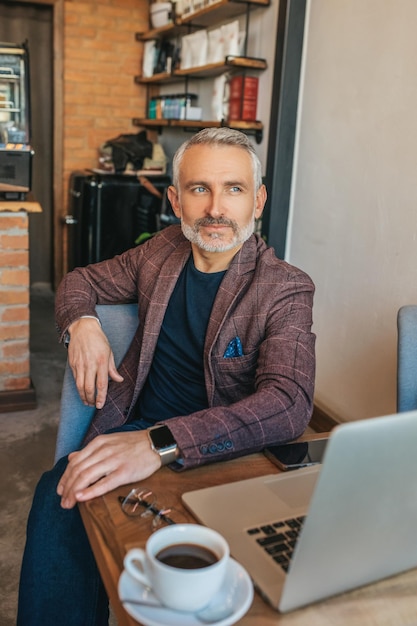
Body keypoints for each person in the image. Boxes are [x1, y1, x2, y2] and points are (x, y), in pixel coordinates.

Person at [17, 128, 316, 625]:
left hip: (231, 454)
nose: (216, 207)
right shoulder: (161, 252)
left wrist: (159, 443)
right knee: (60, 499)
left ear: (257, 200)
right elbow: (79, 281)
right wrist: (82, 322)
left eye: (234, 189)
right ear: (176, 200)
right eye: (199, 189)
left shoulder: (284, 289)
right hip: (136, 428)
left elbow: (288, 403)